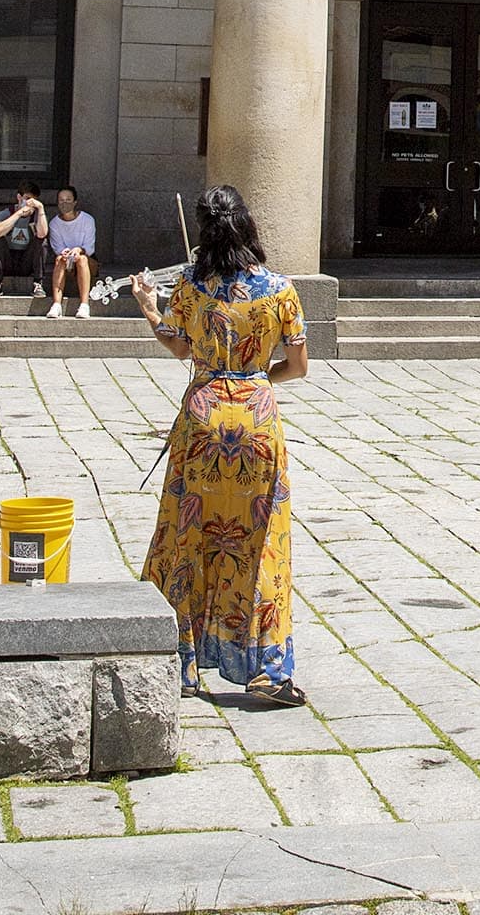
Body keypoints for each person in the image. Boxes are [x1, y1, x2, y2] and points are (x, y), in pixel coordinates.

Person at [135, 185, 306, 705]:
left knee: (185, 535)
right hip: (256, 418)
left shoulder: (190, 287)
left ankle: (181, 662)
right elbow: (298, 367)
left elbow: (178, 344)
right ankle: (268, 669)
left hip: (203, 416)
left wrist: (148, 307)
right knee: (262, 541)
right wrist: (254, 381)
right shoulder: (282, 290)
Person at [0, 180, 48, 299]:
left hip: (26, 261)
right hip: (8, 259)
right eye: (27, 198)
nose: (30, 203)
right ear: (19, 197)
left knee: (42, 242)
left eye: (33, 200)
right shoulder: (5, 213)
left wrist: (40, 209)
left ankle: (38, 283)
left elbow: (42, 234)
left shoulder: (37, 215)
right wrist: (18, 214)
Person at [45, 186, 98, 318]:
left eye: (68, 200)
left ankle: (84, 304)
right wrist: (65, 252)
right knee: (59, 259)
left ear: (75, 202)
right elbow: (57, 247)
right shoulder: (54, 224)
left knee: (82, 259)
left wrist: (78, 250)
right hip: (66, 261)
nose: (65, 203)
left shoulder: (87, 220)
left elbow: (90, 247)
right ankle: (57, 304)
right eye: (61, 200)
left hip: (85, 260)